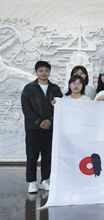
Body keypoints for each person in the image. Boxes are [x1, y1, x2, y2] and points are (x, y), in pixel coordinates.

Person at [21, 61, 62, 193]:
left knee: (47, 155)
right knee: (32, 156)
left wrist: (50, 121)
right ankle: (32, 182)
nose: (44, 73)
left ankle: (45, 179)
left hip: (50, 128)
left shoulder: (55, 89)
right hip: (33, 128)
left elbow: (61, 107)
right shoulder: (29, 88)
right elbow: (26, 108)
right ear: (36, 72)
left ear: (50, 72)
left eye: (46, 70)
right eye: (41, 71)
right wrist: (39, 121)